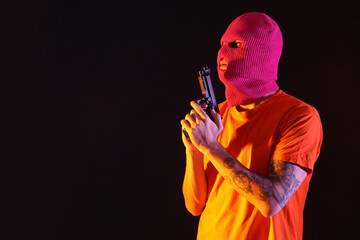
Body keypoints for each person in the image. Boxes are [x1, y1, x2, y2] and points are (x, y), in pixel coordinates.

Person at [180, 12, 323, 240]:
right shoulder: (219, 115)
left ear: (262, 52)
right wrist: (194, 150)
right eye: (222, 45)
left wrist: (212, 148)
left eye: (235, 44)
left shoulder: (299, 116)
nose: (223, 54)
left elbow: (271, 202)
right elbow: (194, 205)